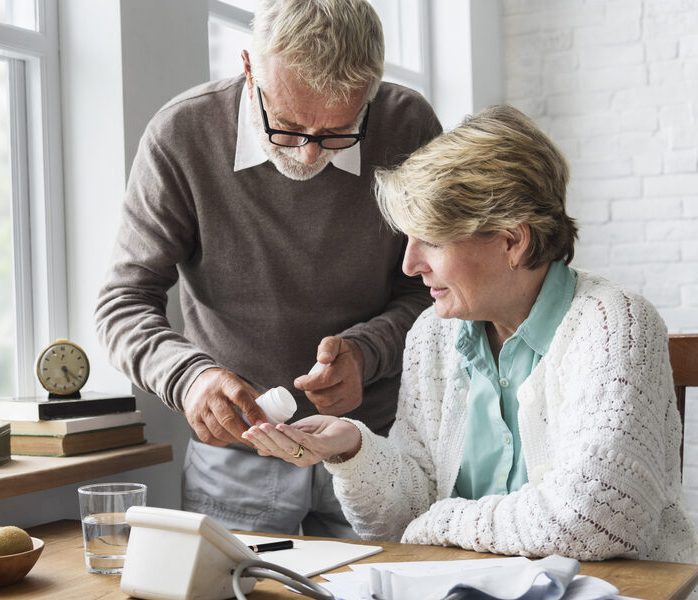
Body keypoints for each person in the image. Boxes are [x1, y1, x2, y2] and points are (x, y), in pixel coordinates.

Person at [242, 104, 698, 562]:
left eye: (432, 240)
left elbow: (600, 519)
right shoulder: (431, 334)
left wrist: (442, 521)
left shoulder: (613, 323)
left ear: (511, 241)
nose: (409, 264)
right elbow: (403, 518)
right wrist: (354, 451)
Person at [95, 0, 441, 537]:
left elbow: (434, 290)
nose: (307, 157)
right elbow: (122, 303)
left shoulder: (408, 126)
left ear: (373, 88)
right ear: (249, 67)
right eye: (287, 126)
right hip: (236, 457)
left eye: (337, 132)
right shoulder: (182, 134)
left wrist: (367, 353)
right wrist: (191, 378)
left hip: (374, 444)